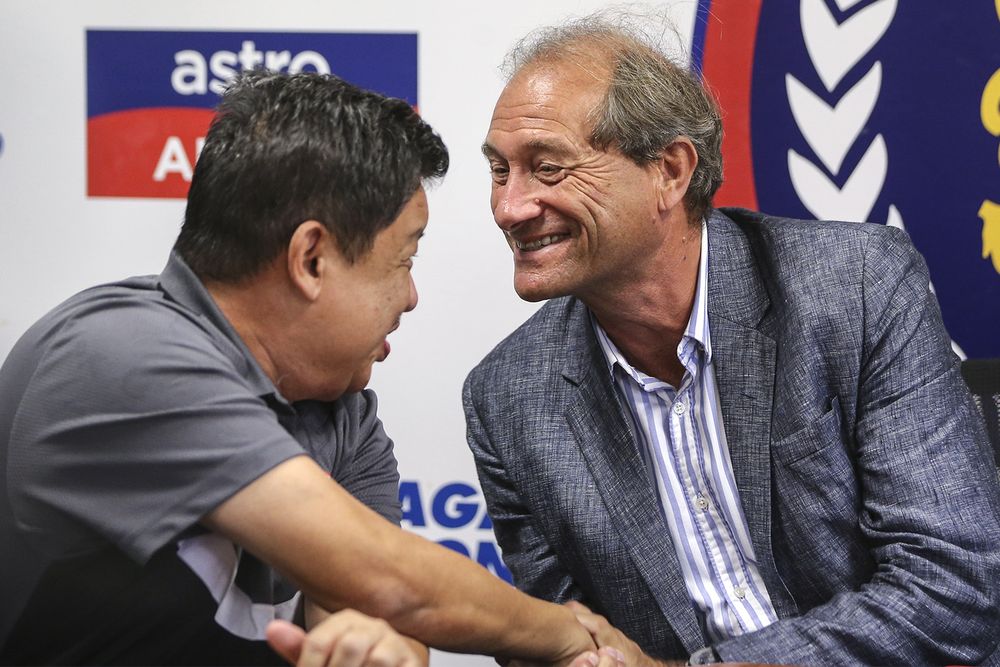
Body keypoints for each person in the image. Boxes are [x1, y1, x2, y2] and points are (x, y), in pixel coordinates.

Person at [0, 70, 626, 667]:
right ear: (312, 259)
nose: (411, 297)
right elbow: (387, 577)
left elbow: (382, 616)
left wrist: (373, 651)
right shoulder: (122, 353)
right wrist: (566, 635)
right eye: (404, 260)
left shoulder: (344, 420)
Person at [463, 13, 1000, 666]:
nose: (509, 208)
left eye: (547, 168)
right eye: (500, 171)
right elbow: (555, 637)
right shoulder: (508, 398)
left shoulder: (853, 289)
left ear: (670, 169)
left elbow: (957, 585)